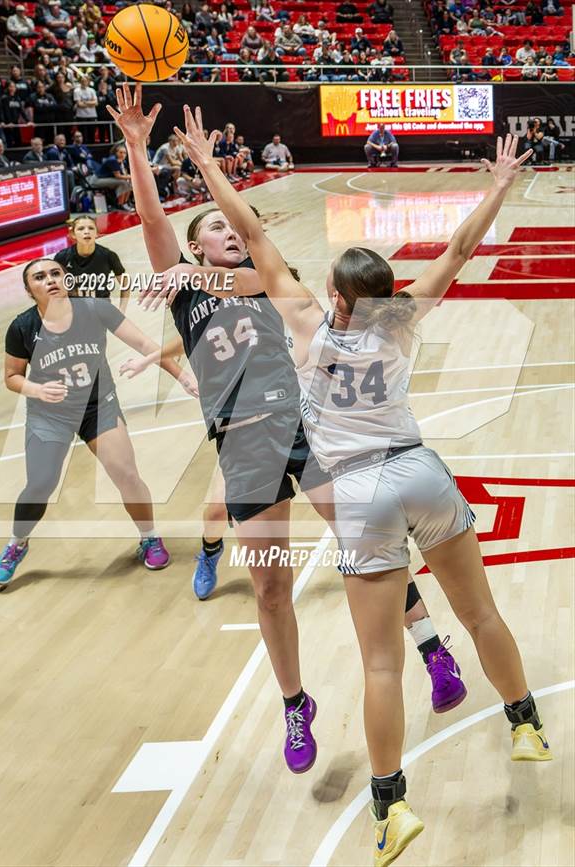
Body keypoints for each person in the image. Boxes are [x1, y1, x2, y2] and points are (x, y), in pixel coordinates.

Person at [177, 110, 552, 866]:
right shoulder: (401, 319)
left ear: (333, 293)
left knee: (381, 662)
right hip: (421, 470)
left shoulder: (311, 327)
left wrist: (209, 165)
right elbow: (461, 247)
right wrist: (501, 185)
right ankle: (524, 721)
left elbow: (253, 239)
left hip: (361, 492)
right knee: (478, 614)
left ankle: (392, 806)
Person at [111, 89, 470, 776]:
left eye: (231, 227)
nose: (228, 232)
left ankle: (431, 646)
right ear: (192, 242)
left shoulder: (250, 276)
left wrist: (208, 258)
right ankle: (294, 703)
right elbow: (154, 218)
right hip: (245, 449)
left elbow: (249, 272)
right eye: (214, 228)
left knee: (367, 544)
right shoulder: (182, 279)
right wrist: (135, 147)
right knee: (271, 586)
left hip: (304, 434)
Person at [0, 258, 197, 586]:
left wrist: (182, 375)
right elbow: (12, 377)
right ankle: (17, 544)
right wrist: (36, 388)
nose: (50, 280)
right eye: (40, 277)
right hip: (49, 413)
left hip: (98, 406)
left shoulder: (95, 309)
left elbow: (145, 345)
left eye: (56, 273)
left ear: (67, 280)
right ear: (30, 291)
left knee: (127, 475)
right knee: (40, 485)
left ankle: (149, 537)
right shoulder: (22, 327)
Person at [54, 215, 130, 311]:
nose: (86, 232)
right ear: (73, 234)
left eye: (91, 228)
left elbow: (125, 284)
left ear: (96, 233)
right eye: (81, 229)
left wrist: (122, 309)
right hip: (73, 312)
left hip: (101, 310)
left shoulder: (108, 256)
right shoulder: (62, 257)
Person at [89, 143, 134, 211]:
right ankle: (120, 204)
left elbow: (125, 174)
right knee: (123, 183)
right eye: (120, 152)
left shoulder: (123, 161)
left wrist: (130, 178)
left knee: (129, 183)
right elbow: (118, 176)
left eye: (125, 153)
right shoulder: (113, 160)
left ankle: (126, 202)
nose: (123, 155)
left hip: (105, 178)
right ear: (116, 153)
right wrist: (132, 177)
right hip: (96, 180)